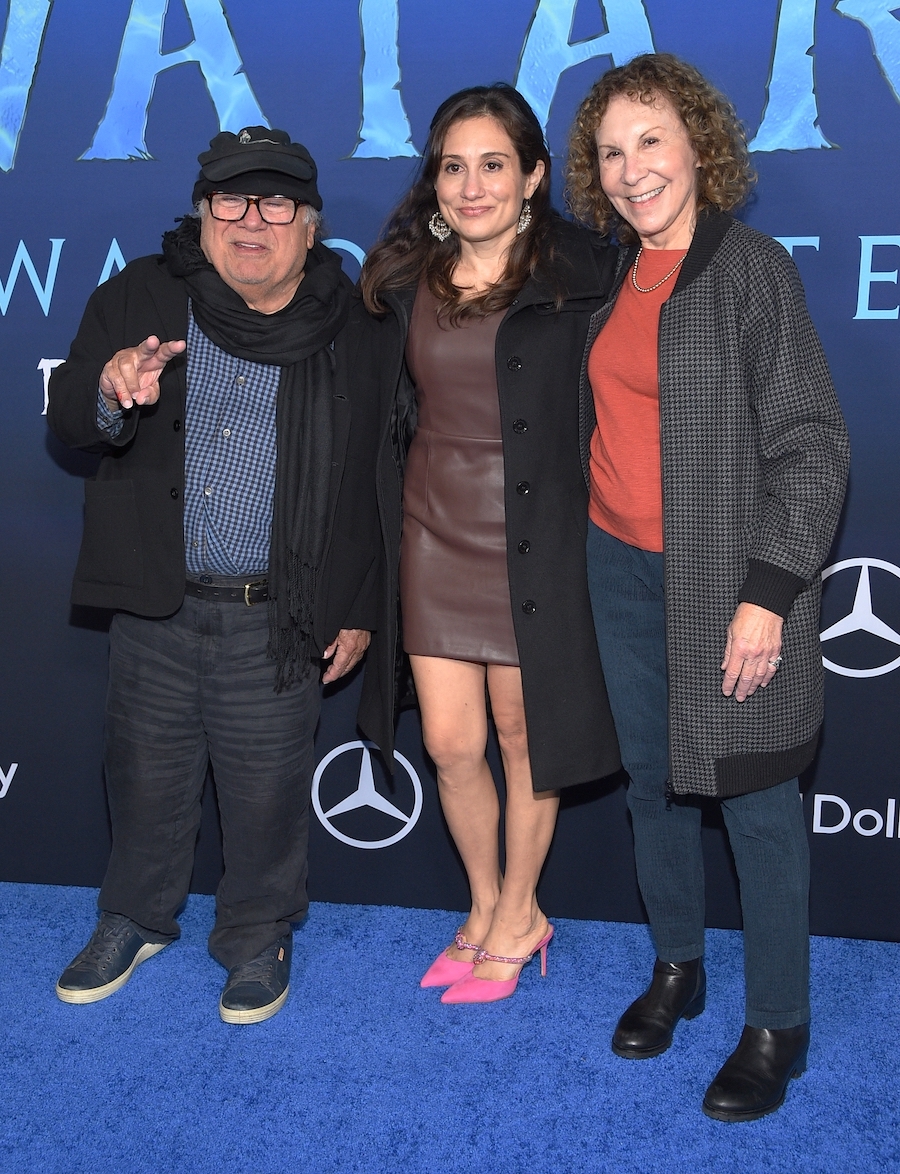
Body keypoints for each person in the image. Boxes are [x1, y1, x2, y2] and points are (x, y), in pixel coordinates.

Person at [565, 54, 850, 1119]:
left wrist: (767, 592)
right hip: (617, 566)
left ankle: (779, 1023)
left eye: (651, 140)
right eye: (611, 150)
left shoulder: (751, 270)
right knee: (652, 780)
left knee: (759, 803)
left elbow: (814, 444)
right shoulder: (610, 272)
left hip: (729, 581)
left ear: (698, 145)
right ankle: (677, 967)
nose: (634, 168)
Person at [47, 126, 383, 1024]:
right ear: (201, 216)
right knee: (143, 776)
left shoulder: (352, 325)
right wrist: (111, 390)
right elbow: (70, 414)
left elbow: (375, 482)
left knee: (267, 792)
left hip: (276, 614)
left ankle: (257, 933)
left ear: (310, 226)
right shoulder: (141, 295)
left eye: (276, 204)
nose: (250, 221)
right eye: (229, 201)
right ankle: (135, 917)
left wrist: (354, 605)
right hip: (157, 601)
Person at [359, 84, 620, 1005]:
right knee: (449, 741)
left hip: (535, 540)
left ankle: (519, 913)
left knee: (522, 736)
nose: (471, 187)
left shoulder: (586, 275)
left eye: (494, 165)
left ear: (534, 176)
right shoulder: (398, 280)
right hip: (432, 533)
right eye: (453, 167)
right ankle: (481, 905)